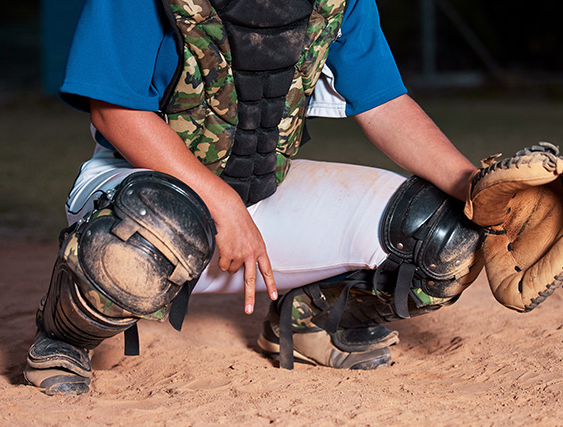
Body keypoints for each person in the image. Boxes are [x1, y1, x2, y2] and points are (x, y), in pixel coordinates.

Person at [24, 0, 485, 396]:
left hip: (263, 196)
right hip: (137, 194)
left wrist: (477, 189)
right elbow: (115, 113)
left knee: (442, 234)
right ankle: (64, 337)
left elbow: (383, 103)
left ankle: (313, 320)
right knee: (148, 231)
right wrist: (221, 204)